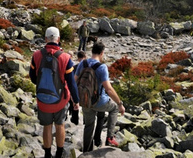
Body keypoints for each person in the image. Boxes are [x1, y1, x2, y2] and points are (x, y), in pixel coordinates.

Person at [29, 26, 79, 158]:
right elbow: (72, 83)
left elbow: (33, 78)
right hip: (60, 101)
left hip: (43, 100)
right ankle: (59, 153)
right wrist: (76, 101)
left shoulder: (36, 55)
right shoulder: (66, 58)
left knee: (47, 126)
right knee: (60, 125)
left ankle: (47, 154)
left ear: (45, 39)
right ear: (58, 39)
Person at [78, 42, 125, 152]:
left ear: (92, 51)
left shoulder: (82, 63)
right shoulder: (102, 67)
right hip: (99, 102)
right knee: (114, 109)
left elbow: (75, 81)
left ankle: (86, 152)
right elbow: (108, 89)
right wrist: (120, 104)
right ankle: (110, 137)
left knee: (89, 125)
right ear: (102, 53)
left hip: (84, 100)